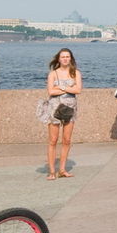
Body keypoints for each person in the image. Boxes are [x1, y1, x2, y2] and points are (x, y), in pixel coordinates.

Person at [40, 48, 81, 179]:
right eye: (62, 57)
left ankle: (62, 169)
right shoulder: (53, 74)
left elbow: (78, 89)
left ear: (71, 59)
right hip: (54, 108)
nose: (65, 59)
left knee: (66, 140)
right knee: (53, 140)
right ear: (58, 59)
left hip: (70, 108)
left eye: (67, 57)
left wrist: (61, 88)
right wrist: (69, 89)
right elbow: (51, 92)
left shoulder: (76, 73)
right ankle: (52, 171)